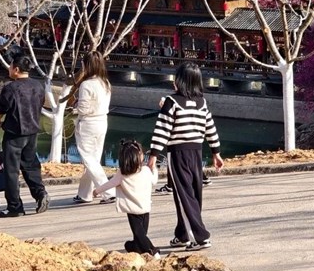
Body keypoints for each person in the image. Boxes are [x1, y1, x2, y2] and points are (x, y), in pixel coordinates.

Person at [148, 61, 224, 251]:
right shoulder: (202, 102)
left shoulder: (171, 102)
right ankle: (182, 234)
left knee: (183, 196)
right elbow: (210, 128)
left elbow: (162, 130)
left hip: (178, 153)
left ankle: (200, 237)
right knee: (193, 194)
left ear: (179, 81)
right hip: (197, 153)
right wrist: (216, 152)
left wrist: (153, 155)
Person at [0, 54, 49, 217]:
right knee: (30, 165)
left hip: (14, 133)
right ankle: (40, 194)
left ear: (16, 70)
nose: (9, 69)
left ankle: (15, 206)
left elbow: (0, 109)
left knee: (11, 170)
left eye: (10, 67)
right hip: (32, 131)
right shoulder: (38, 86)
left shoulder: (11, 88)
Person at [94, 139, 159, 256]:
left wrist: (96, 191)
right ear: (139, 157)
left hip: (132, 209)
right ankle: (144, 249)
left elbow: (109, 184)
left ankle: (145, 250)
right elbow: (154, 180)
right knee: (141, 234)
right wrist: (154, 167)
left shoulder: (121, 174)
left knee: (139, 235)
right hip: (145, 208)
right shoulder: (146, 171)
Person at [71, 50, 112, 204]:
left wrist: (75, 107)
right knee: (93, 158)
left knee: (89, 160)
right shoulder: (105, 83)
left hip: (88, 123)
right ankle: (84, 193)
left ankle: (107, 191)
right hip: (102, 122)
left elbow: (83, 109)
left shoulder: (86, 85)